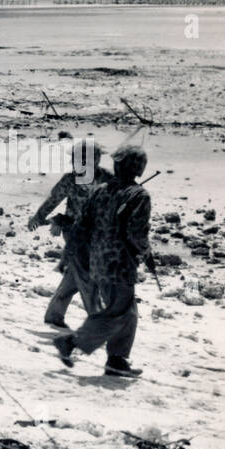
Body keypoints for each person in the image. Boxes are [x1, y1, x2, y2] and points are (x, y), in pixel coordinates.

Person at [55, 145, 154, 379]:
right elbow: (136, 234)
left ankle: (117, 361)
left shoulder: (100, 190)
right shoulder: (139, 195)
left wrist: (70, 254)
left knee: (127, 312)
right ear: (140, 169)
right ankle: (71, 342)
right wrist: (146, 253)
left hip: (97, 259)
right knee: (118, 312)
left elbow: (80, 227)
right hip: (120, 262)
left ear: (118, 165)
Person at [29, 140, 109, 328]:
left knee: (76, 274)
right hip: (74, 233)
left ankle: (54, 315)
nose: (77, 164)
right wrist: (39, 217)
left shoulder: (107, 179)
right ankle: (97, 321)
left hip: (98, 236)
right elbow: (53, 200)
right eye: (75, 160)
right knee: (87, 275)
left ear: (95, 161)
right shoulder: (70, 180)